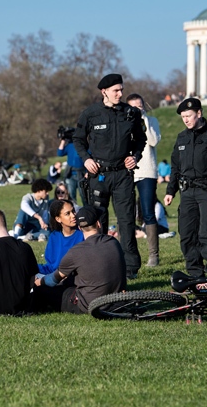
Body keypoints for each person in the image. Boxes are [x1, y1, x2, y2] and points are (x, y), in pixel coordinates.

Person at [72, 73, 146, 279]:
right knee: (98, 221)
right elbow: (77, 139)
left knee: (126, 220)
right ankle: (101, 262)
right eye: (116, 90)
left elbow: (141, 139)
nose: (120, 94)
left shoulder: (131, 113)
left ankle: (130, 267)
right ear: (104, 92)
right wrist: (86, 159)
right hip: (98, 175)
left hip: (123, 174)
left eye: (121, 89)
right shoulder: (90, 114)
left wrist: (135, 156)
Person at [164, 98, 207, 287]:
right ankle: (195, 274)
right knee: (187, 235)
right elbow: (175, 167)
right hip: (187, 192)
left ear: (199, 114)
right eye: (183, 117)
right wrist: (170, 191)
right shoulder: (181, 138)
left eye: (188, 116)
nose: (185, 120)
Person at [31, 206, 127, 314]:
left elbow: (54, 279)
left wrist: (38, 282)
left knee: (43, 291)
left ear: (80, 228)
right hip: (116, 299)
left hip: (89, 304)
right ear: (98, 224)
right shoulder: (113, 242)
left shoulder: (75, 252)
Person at [127, 93, 162, 267]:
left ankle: (153, 255)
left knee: (148, 212)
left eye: (140, 106)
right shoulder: (124, 121)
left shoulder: (152, 121)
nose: (137, 109)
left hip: (147, 170)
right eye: (133, 106)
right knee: (125, 213)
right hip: (127, 171)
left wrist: (144, 119)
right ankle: (127, 254)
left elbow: (154, 141)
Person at [39, 200, 84, 275]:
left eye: (73, 211)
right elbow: (51, 265)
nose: (73, 215)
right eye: (67, 213)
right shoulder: (54, 236)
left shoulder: (83, 234)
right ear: (58, 219)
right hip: (54, 275)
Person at [57, 132, 86, 205]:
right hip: (70, 175)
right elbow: (60, 153)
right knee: (71, 196)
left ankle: (86, 212)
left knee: (84, 196)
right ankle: (73, 212)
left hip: (82, 174)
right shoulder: (69, 146)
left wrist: (87, 172)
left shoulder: (83, 145)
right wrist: (63, 140)